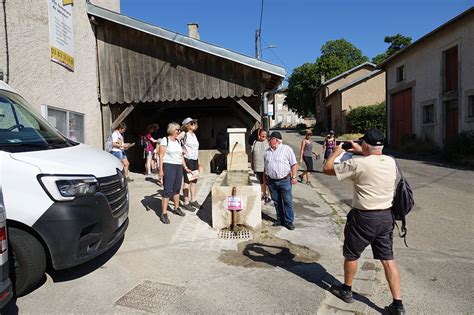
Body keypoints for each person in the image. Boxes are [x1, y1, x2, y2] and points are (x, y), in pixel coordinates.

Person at [323, 128, 405, 315]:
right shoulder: (391, 162)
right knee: (388, 259)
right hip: (386, 217)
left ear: (365, 144)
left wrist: (337, 151)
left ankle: (346, 290)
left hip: (364, 217)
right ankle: (398, 304)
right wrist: (361, 149)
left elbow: (327, 169)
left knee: (352, 255)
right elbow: (375, 156)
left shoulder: (357, 164)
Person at [263, 131, 298, 230]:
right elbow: (265, 167)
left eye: (270, 139)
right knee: (277, 201)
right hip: (272, 181)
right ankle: (280, 219)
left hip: (285, 180)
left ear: (276, 140)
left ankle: (288, 221)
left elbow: (294, 164)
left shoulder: (286, 149)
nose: (269, 140)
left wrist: (294, 177)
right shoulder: (267, 152)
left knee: (287, 201)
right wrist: (265, 180)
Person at [158, 122, 187, 224]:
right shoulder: (165, 140)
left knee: (176, 188)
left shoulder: (178, 142)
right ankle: (164, 213)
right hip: (169, 166)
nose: (179, 131)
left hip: (178, 166)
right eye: (178, 130)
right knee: (167, 190)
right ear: (172, 130)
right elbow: (161, 156)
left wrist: (185, 167)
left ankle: (176, 207)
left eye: (179, 130)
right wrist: (160, 170)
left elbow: (181, 156)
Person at [181, 117, 202, 212]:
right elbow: (175, 140)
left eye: (194, 123)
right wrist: (181, 150)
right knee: (187, 182)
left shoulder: (194, 135)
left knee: (194, 181)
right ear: (187, 125)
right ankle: (186, 202)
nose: (194, 124)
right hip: (188, 160)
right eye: (192, 123)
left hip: (194, 160)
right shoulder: (184, 134)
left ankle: (193, 200)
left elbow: (195, 149)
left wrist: (199, 163)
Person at [251, 128, 270, 203]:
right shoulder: (255, 142)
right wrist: (252, 164)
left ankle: (267, 195)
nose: (264, 135)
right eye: (262, 134)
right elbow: (252, 154)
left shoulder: (268, 142)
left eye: (265, 134)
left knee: (267, 181)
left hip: (266, 165)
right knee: (260, 181)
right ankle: (263, 193)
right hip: (257, 165)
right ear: (259, 135)